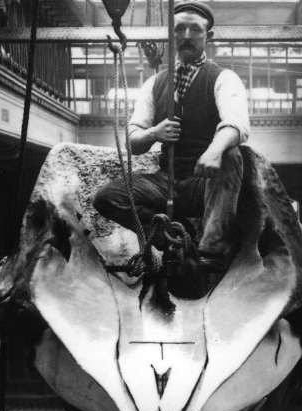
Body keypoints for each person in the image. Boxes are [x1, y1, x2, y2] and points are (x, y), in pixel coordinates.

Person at [93, 0, 249, 273]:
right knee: (108, 197)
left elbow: (236, 124)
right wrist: (154, 133)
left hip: (204, 181)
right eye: (179, 30)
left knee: (232, 155)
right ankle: (172, 235)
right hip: (167, 182)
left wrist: (214, 150)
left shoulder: (224, 79)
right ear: (170, 34)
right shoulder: (154, 84)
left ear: (207, 36)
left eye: (195, 30)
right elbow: (133, 140)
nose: (187, 36)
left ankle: (210, 250)